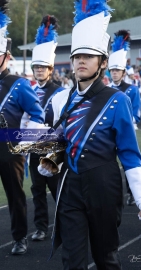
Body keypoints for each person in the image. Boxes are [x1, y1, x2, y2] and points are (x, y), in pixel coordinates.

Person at [37, 2, 141, 269]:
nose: (80, 61)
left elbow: (130, 154)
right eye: (77, 56)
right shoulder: (62, 98)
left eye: (88, 56)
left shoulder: (117, 100)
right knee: (72, 260)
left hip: (104, 186)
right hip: (70, 186)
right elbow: (57, 138)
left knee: (106, 258)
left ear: (102, 62)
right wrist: (47, 154)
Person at [0, 1, 45, 255]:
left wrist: (25, 142)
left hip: (10, 149)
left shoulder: (19, 84)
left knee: (15, 196)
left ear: (7, 56)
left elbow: (37, 114)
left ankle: (19, 238)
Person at [29, 15, 65, 241]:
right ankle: (41, 227)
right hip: (33, 147)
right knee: (36, 191)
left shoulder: (61, 92)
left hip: (52, 149)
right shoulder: (29, 89)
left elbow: (63, 123)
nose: (39, 71)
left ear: (50, 69)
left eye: (43, 67)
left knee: (57, 190)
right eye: (36, 67)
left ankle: (64, 225)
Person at [108, 29, 141, 206]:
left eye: (117, 71)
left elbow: (136, 111)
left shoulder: (132, 90)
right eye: (112, 71)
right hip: (108, 132)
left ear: (123, 72)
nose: (114, 73)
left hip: (127, 129)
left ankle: (132, 192)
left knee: (129, 161)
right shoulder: (106, 90)